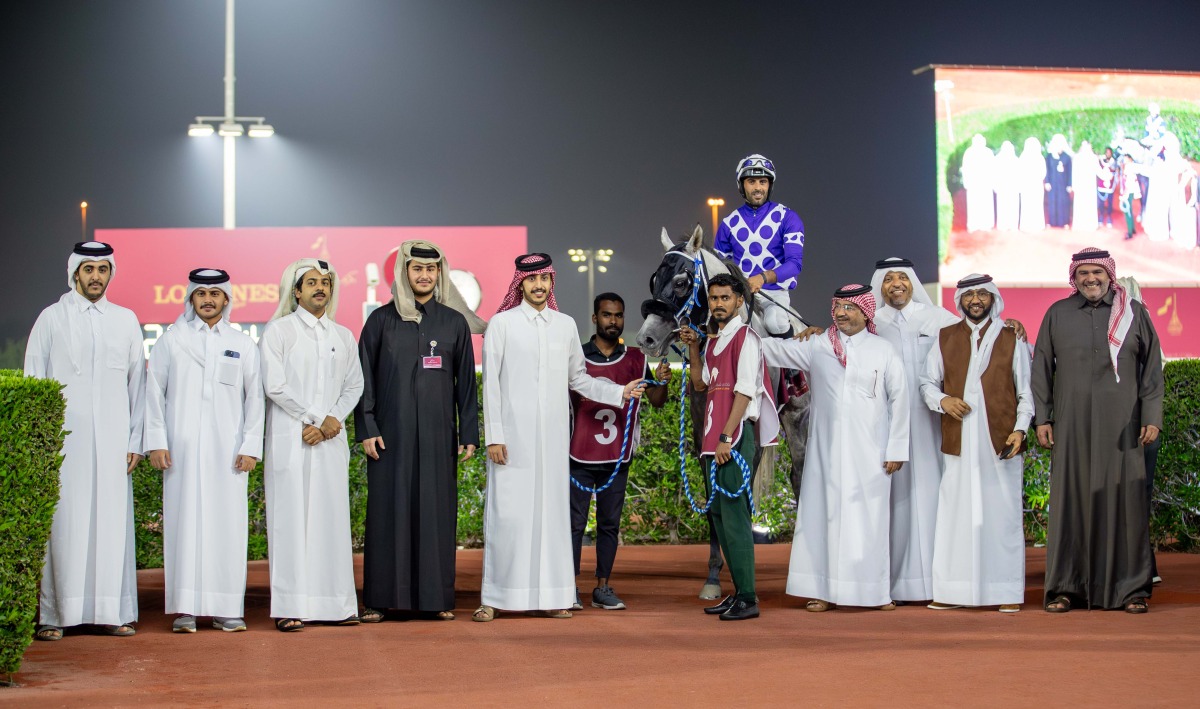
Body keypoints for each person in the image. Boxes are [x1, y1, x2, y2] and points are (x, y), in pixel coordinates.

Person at [475, 254, 646, 622]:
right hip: (512, 441)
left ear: (552, 283)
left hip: (554, 443)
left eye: (545, 280)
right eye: (531, 279)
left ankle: (554, 595)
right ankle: (496, 597)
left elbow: (579, 379)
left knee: (552, 518)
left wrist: (619, 393)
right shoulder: (502, 325)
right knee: (508, 517)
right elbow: (490, 385)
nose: (538, 286)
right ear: (520, 283)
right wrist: (494, 435)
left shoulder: (564, 325)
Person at [354, 241, 482, 622]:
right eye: (417, 269)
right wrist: (367, 427)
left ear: (439, 274)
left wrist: (469, 433)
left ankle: (436, 599)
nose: (424, 276)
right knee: (386, 514)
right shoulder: (380, 320)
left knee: (436, 513)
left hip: (438, 437)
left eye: (431, 270)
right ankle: (379, 599)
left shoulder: (453, 322)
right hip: (389, 438)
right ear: (404, 273)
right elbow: (364, 380)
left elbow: (466, 386)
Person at [760, 284, 908, 612]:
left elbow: (900, 399)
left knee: (870, 522)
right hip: (825, 453)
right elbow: (769, 350)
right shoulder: (817, 345)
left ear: (865, 311)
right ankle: (821, 591)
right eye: (838, 307)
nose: (841, 313)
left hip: (873, 453)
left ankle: (875, 592)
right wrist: (726, 334)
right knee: (822, 519)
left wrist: (897, 448)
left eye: (849, 307)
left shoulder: (883, 349)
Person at [26, 241, 146, 641]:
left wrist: (136, 439)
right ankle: (56, 616)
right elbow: (33, 381)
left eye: (103, 269)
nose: (96, 276)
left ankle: (113, 612)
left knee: (112, 524)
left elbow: (138, 386)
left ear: (110, 274)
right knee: (65, 522)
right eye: (89, 269)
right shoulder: (51, 318)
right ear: (75, 272)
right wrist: (38, 443)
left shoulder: (126, 320)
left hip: (114, 443)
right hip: (64, 444)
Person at [1032, 248, 1163, 614]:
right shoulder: (1058, 313)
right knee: (1070, 503)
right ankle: (1066, 589)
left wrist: (1151, 417)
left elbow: (1152, 370)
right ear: (1073, 278)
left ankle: (1131, 590)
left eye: (1097, 272)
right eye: (1083, 273)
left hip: (1123, 426)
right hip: (1071, 425)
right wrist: (1043, 418)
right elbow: (1041, 367)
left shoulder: (1133, 313)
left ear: (1110, 275)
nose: (1091, 279)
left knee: (1125, 505)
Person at [144, 268, 264, 633]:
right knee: (183, 524)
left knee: (227, 525)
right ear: (191, 299)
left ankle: (227, 608)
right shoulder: (171, 341)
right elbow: (153, 393)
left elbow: (255, 398)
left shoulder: (242, 343)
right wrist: (156, 441)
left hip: (228, 453)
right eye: (201, 294)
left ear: (226, 299)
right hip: (179, 451)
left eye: (215, 294)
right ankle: (185, 609)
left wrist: (250, 446)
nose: (208, 300)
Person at [260, 258, 364, 631]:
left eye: (326, 282)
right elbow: (274, 386)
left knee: (331, 522)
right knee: (290, 522)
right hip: (291, 441)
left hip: (329, 443)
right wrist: (318, 418)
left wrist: (330, 422)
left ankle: (336, 605)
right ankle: (290, 607)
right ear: (297, 290)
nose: (320, 288)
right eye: (312, 282)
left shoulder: (343, 336)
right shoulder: (279, 332)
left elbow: (355, 385)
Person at [920, 274, 1032, 613]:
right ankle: (952, 591)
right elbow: (926, 383)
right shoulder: (945, 337)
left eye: (983, 294)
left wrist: (1021, 429)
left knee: (1002, 513)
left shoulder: (1012, 337)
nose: (976, 300)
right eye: (970, 295)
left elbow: (1026, 392)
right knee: (955, 511)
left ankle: (1006, 592)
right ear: (961, 301)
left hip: (1000, 439)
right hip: (959, 438)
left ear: (993, 298)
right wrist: (943, 401)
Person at [678, 274, 779, 621]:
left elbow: (746, 391)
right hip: (714, 441)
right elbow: (699, 382)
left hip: (732, 439)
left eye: (725, 298)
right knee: (720, 519)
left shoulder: (746, 337)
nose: (718, 304)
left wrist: (726, 436)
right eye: (714, 298)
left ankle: (748, 597)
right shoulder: (714, 341)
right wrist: (693, 346)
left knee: (735, 520)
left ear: (738, 301)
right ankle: (737, 593)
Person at [569, 292, 670, 611]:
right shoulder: (576, 357)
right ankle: (568, 586)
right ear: (595, 318)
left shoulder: (636, 359)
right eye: (607, 315)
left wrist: (663, 382)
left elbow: (656, 401)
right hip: (578, 454)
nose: (613, 321)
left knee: (609, 524)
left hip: (617, 456)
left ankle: (603, 586)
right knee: (573, 523)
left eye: (618, 315)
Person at [713, 154, 805, 336]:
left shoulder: (788, 217)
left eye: (763, 182)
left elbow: (794, 264)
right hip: (739, 296)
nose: (757, 188)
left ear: (769, 185)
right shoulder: (728, 223)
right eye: (751, 181)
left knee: (775, 323)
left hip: (774, 293)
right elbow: (719, 269)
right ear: (741, 185)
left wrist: (762, 278)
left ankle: (791, 363)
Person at [961, 134, 996, 233]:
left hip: (985, 183)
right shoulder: (969, 153)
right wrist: (966, 182)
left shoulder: (988, 152)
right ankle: (973, 225)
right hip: (974, 184)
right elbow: (966, 169)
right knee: (974, 204)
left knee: (986, 204)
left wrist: (992, 182)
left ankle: (986, 224)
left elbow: (992, 169)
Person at [1044, 134, 1073, 228]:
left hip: (1063, 184)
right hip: (1052, 183)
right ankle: (1052, 222)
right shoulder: (1049, 156)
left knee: (1063, 202)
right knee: (1052, 202)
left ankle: (1064, 222)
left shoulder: (1067, 157)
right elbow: (1047, 170)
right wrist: (1047, 182)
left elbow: (1070, 172)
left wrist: (1069, 184)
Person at [1019, 137, 1047, 232]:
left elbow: (1043, 172)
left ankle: (1037, 225)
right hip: (1026, 185)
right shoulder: (1023, 157)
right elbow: (1020, 172)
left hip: (1037, 185)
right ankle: (1026, 225)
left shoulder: (1040, 158)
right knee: (1027, 205)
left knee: (1037, 204)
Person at [993, 141, 1021, 231]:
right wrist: (996, 185)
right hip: (1002, 187)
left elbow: (1020, 175)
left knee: (1013, 206)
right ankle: (1003, 225)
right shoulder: (997, 160)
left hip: (1013, 187)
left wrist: (1019, 186)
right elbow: (994, 174)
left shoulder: (1016, 160)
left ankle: (1013, 225)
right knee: (1002, 206)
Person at [1071, 141, 1098, 232]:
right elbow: (1074, 172)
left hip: (1090, 185)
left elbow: (1098, 170)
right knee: (1080, 205)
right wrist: (1074, 185)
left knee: (1090, 205)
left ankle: (1090, 225)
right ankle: (1079, 225)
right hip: (1080, 185)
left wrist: (1107, 176)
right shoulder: (1077, 158)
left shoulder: (1094, 158)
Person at [1118, 153, 1142, 240]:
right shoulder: (1128, 167)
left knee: (1127, 211)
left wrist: (1124, 193)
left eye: (1126, 158)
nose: (1124, 160)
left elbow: (1127, 182)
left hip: (1128, 191)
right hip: (1129, 191)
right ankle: (1132, 229)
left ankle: (1130, 233)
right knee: (1129, 210)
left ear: (1130, 158)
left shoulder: (1129, 167)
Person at [1097, 146, 1117, 228]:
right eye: (1106, 152)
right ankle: (1101, 216)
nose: (1107, 154)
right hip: (1101, 184)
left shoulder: (1114, 162)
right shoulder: (1101, 161)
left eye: (1109, 152)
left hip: (1110, 185)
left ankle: (1109, 216)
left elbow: (1115, 172)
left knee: (1109, 203)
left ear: (1111, 153)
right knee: (1101, 202)